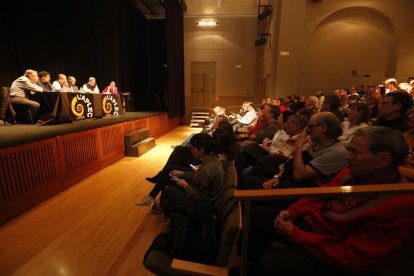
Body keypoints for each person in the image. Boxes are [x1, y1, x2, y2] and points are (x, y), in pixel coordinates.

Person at [248, 126, 414, 275]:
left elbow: (353, 257)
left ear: (383, 160)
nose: (347, 157)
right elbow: (320, 194)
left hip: (333, 250)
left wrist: (295, 234)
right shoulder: (351, 174)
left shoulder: (401, 205)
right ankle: (248, 265)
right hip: (314, 225)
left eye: (355, 152)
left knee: (270, 262)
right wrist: (292, 211)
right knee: (258, 215)